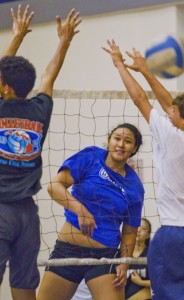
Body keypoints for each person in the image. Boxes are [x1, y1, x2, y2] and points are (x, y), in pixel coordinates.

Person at [103, 40, 184, 299]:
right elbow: (170, 105)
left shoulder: (171, 135)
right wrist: (146, 71)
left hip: (174, 235)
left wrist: (118, 64)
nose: (170, 113)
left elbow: (139, 98)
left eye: (176, 112)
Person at [0, 4, 81, 300]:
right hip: (27, 214)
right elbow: (49, 74)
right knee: (24, 285)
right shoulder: (40, 109)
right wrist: (65, 41)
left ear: (5, 87)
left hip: (1, 209)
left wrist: (17, 35)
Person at [37, 123, 145, 300]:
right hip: (67, 251)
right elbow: (54, 187)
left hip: (105, 257)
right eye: (117, 138)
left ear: (134, 149)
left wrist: (124, 262)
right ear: (109, 141)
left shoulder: (135, 187)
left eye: (127, 141)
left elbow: (130, 231)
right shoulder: (91, 157)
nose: (120, 144)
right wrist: (80, 210)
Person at [125, 217, 152, 300]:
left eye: (143, 229)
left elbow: (160, 282)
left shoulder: (152, 254)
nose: (138, 230)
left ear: (148, 234)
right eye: (136, 227)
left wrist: (141, 282)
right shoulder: (122, 254)